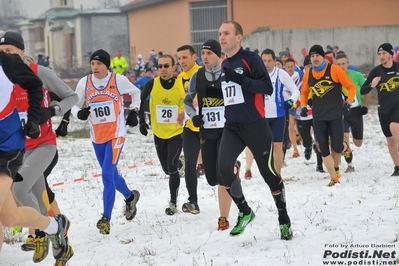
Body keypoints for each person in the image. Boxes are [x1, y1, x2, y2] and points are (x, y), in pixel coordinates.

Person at [0, 31, 77, 263]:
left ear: (22, 52)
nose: (6, 56)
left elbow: (71, 97)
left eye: (10, 52)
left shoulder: (39, 73)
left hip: (42, 145)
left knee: (20, 191)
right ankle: (57, 233)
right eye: (2, 53)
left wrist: (51, 112)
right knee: (32, 202)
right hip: (17, 148)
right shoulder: (3, 76)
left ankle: (43, 234)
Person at [217, 20, 292, 239]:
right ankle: (245, 211)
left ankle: (283, 218)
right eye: (220, 33)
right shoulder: (224, 64)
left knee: (269, 175)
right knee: (223, 170)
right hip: (232, 126)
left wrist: (241, 80)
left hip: (255, 126)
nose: (222, 37)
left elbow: (266, 88)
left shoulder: (251, 59)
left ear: (238, 37)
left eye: (226, 33)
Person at [72, 49, 141, 235]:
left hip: (116, 134)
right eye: (93, 64)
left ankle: (106, 218)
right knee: (111, 174)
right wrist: (78, 112)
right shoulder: (84, 82)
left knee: (107, 174)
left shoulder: (117, 80)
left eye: (99, 64)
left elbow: (136, 93)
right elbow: (74, 103)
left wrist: (134, 111)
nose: (95, 67)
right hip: (97, 136)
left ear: (106, 65)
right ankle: (130, 196)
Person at [184, 39, 241, 231]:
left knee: (224, 175)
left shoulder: (228, 74)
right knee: (212, 179)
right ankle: (233, 168)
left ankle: (223, 218)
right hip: (206, 130)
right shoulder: (197, 76)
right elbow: (187, 100)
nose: (205, 57)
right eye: (203, 53)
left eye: (209, 53)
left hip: (228, 131)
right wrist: (193, 117)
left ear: (219, 55)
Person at [300, 44, 356, 186]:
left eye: (317, 55)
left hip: (335, 115)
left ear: (323, 56)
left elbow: (351, 87)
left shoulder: (334, 69)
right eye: (312, 56)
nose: (315, 58)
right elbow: (304, 92)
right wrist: (303, 106)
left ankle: (341, 153)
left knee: (336, 147)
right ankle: (334, 177)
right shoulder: (308, 73)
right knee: (323, 148)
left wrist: (348, 102)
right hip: (318, 116)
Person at [138, 54, 185, 215]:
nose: (163, 69)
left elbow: (187, 102)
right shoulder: (152, 84)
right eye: (160, 66)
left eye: (166, 66)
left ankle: (173, 203)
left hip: (176, 132)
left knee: (171, 166)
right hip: (158, 133)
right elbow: (141, 101)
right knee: (167, 169)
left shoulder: (180, 84)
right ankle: (181, 164)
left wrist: (183, 113)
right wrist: (142, 122)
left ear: (174, 67)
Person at [245, 49, 299, 178]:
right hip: (259, 116)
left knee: (277, 145)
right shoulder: (255, 74)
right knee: (254, 144)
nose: (266, 63)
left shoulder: (281, 74)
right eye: (263, 61)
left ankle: (278, 174)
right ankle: (248, 168)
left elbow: (295, 90)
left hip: (277, 115)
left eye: (269, 60)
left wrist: (291, 101)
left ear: (275, 61)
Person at [361, 43, 399, 176]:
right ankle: (397, 167)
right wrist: (372, 84)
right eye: (379, 54)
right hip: (383, 109)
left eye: (384, 53)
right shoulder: (376, 71)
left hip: (397, 106)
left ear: (390, 54)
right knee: (390, 139)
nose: (381, 56)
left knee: (394, 127)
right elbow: (362, 90)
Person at [175, 45, 204, 212]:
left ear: (194, 57)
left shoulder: (202, 72)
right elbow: (185, 100)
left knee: (213, 168)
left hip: (206, 124)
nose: (181, 61)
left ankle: (232, 167)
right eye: (179, 58)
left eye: (184, 57)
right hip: (189, 126)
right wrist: (181, 112)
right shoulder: (180, 78)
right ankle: (193, 201)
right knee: (190, 164)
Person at [335, 53, 369, 173]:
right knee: (344, 137)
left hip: (356, 111)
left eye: (343, 63)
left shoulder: (357, 75)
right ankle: (349, 163)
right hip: (341, 112)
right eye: (338, 64)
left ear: (348, 64)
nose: (341, 66)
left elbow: (367, 89)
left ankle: (351, 147)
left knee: (358, 142)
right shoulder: (334, 77)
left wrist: (365, 106)